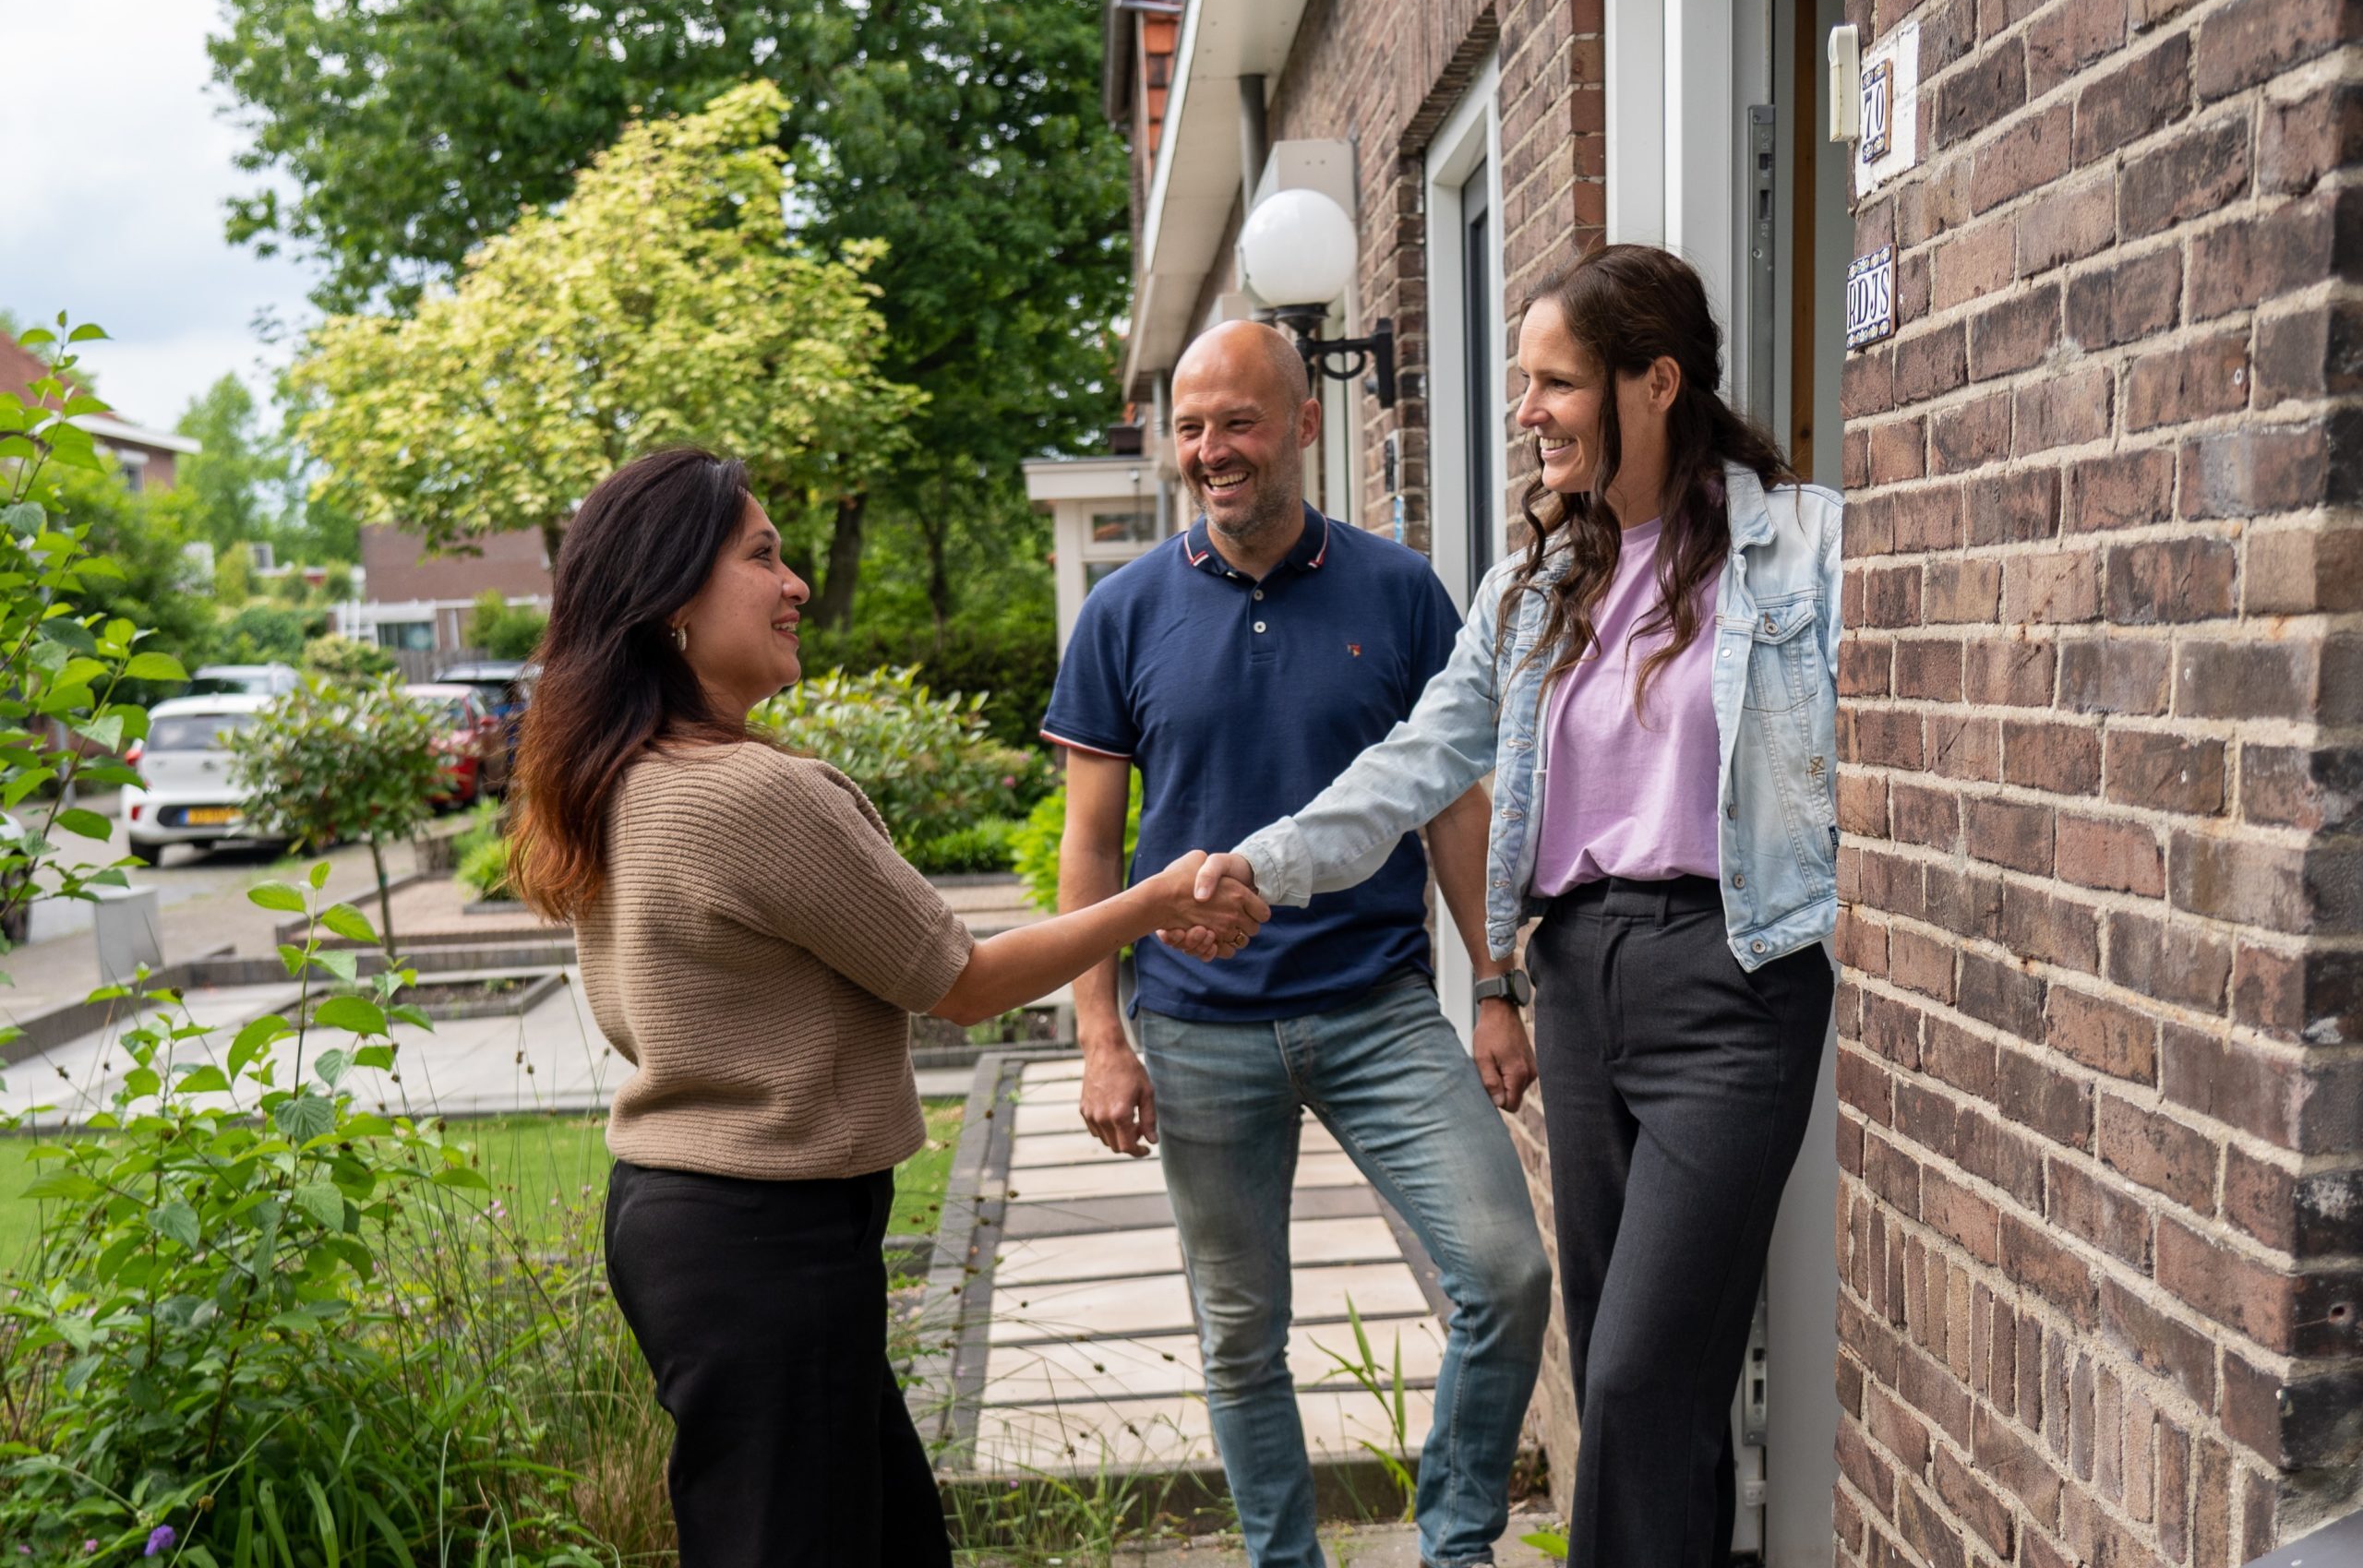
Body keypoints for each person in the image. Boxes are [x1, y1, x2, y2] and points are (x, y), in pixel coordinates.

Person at [1194, 245, 1843, 1568]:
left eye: (1555, 382)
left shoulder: (1804, 550)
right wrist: (1267, 862)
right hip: (1584, 982)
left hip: (1738, 980)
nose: (1529, 411)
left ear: (1653, 383)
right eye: (1524, 384)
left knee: (1634, 1381)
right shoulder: (1534, 587)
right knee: (1637, 1372)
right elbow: (1415, 764)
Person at [506, 448, 1268, 1568]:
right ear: (671, 600)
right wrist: (1151, 900)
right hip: (766, 1236)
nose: (796, 581)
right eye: (761, 555)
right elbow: (961, 983)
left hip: (691, 1221)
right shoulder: (752, 794)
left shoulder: (617, 773)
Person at [1044, 321, 1552, 1568]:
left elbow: (1449, 802)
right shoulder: (1124, 613)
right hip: (1196, 1028)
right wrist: (1101, 1037)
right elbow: (1092, 850)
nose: (1213, 451)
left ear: (1305, 424)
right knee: (1239, 1335)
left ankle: (1458, 1542)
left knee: (1506, 1274)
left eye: (1240, 422)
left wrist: (1492, 989)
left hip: (1376, 1010)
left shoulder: (1399, 592)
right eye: (1192, 428)